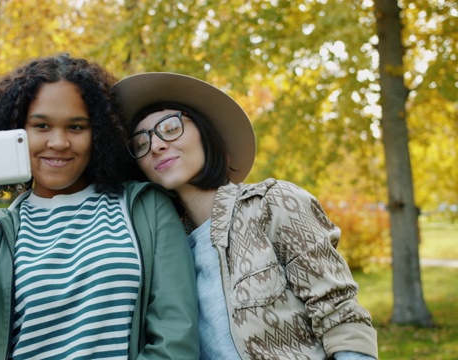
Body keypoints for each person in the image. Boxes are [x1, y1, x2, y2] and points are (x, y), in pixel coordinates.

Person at [0, 55, 199, 359]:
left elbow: (176, 339)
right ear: (14, 130)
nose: (59, 142)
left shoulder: (146, 208)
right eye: (41, 126)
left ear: (99, 133)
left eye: (76, 127)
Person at [113, 72, 379, 360]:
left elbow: (341, 314)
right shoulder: (163, 250)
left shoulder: (272, 203)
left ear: (205, 132)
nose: (156, 145)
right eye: (141, 143)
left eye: (169, 127)